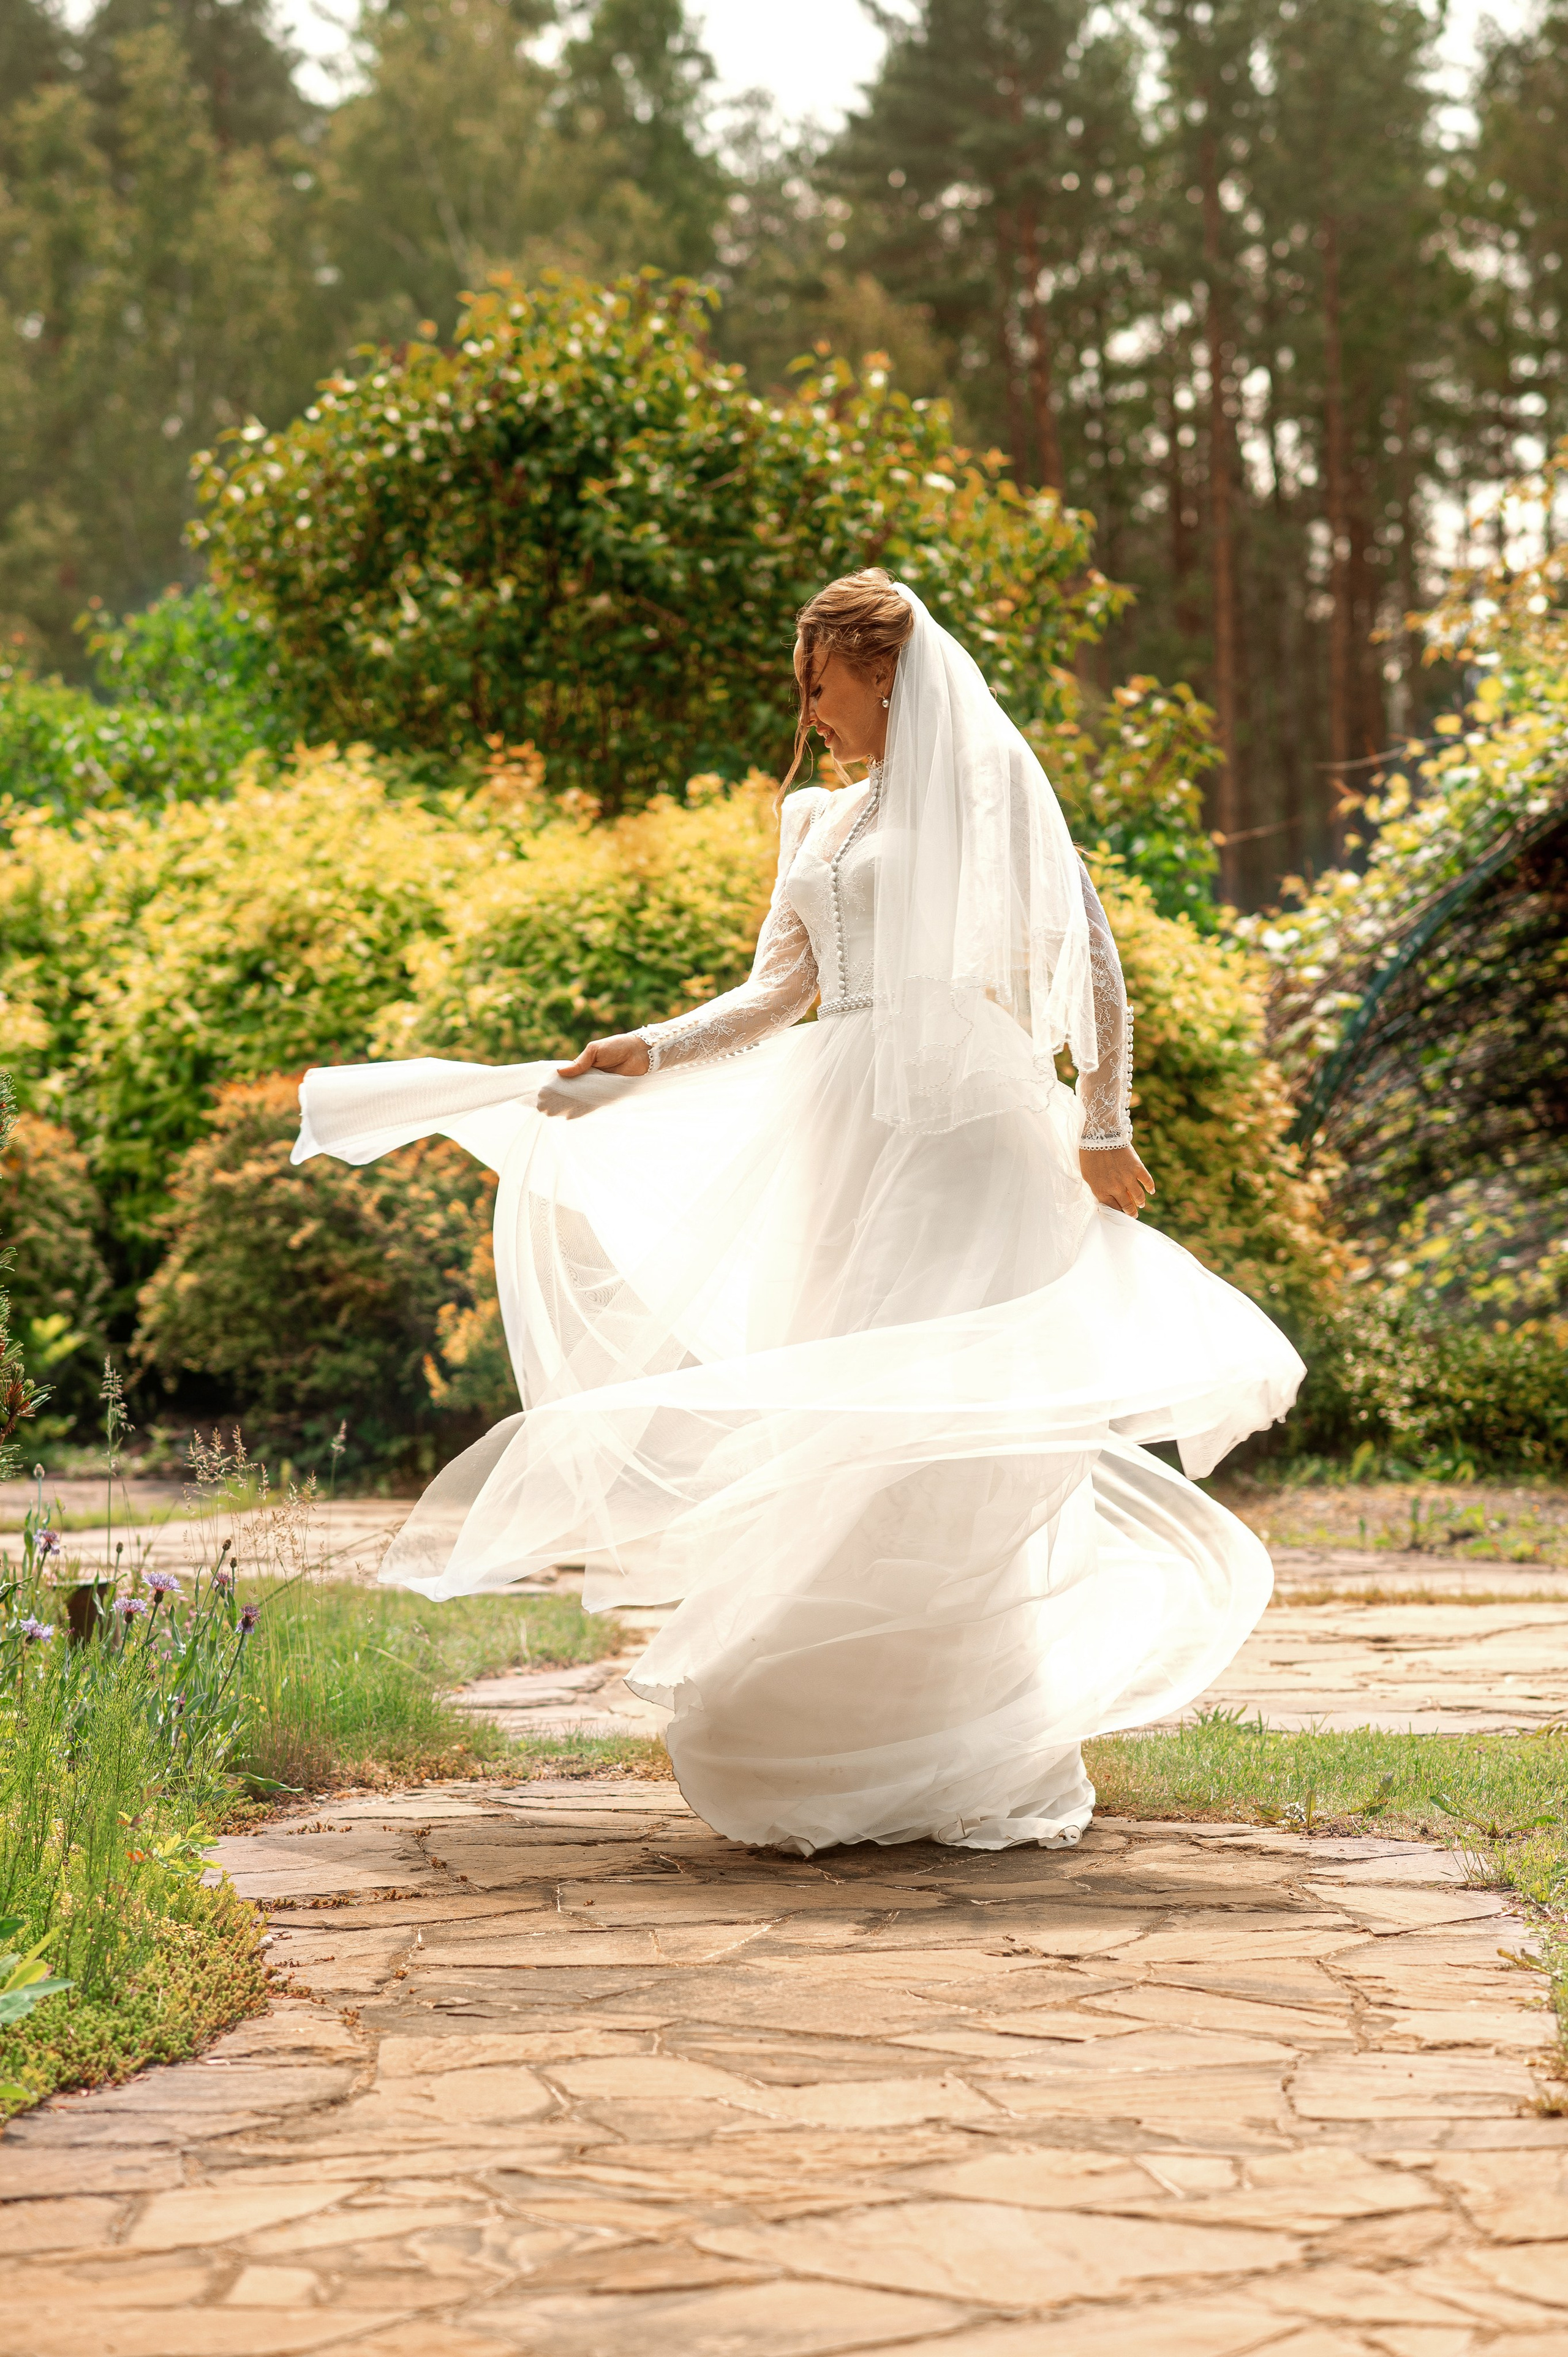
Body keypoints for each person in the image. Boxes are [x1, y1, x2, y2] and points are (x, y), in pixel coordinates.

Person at [293, 572, 1303, 1854]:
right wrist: (647, 1049)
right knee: (834, 1409)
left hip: (968, 1136)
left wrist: (1103, 1123)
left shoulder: (986, 795)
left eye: (819, 681)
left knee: (933, 1428)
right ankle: (828, 1733)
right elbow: (775, 994)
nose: (807, 708)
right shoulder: (817, 822)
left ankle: (959, 1742)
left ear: (882, 671)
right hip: (847, 1131)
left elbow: (1086, 957)